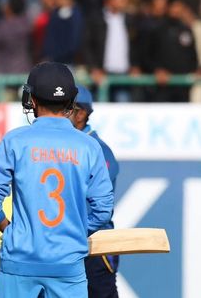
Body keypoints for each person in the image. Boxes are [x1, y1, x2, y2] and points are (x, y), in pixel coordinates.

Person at [0, 62, 114, 298]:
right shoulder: (89, 146)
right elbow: (103, 211)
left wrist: (12, 231)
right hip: (68, 264)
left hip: (19, 261)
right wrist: (75, 233)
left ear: (30, 100)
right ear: (71, 101)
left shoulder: (15, 141)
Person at [69, 85, 120, 298]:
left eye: (65, 108)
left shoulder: (97, 149)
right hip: (67, 245)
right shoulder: (63, 145)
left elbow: (99, 204)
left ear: (81, 114)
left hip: (95, 248)